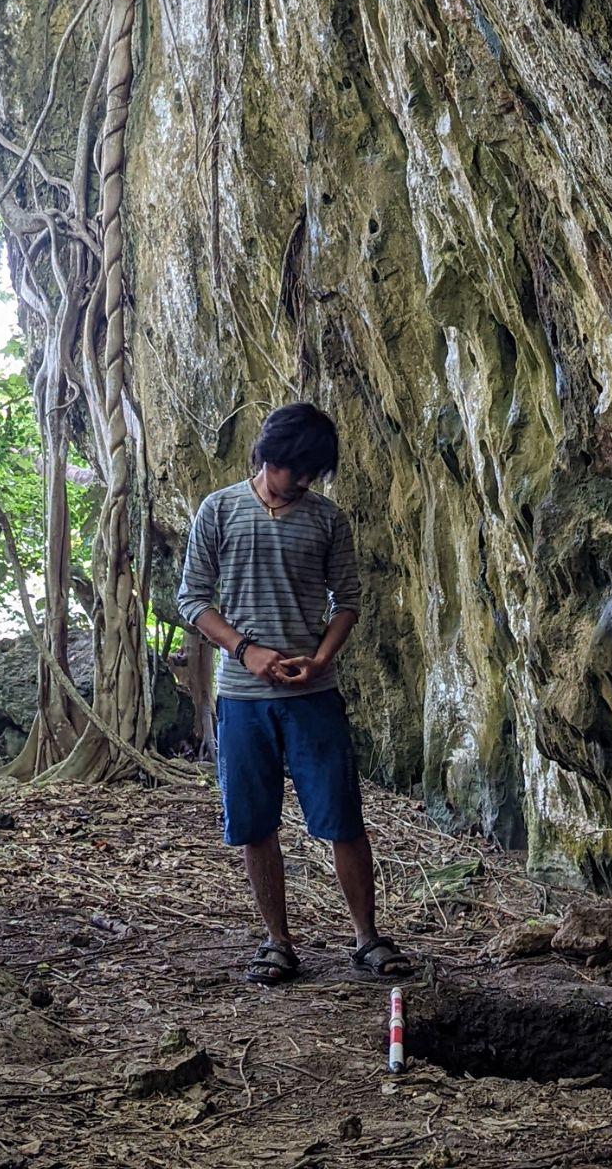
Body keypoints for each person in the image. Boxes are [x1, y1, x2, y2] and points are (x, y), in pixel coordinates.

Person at [177, 402, 413, 985]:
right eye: (295, 470)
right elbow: (193, 599)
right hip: (241, 697)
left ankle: (366, 937)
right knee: (256, 824)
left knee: (342, 818)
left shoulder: (327, 519)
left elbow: (349, 599)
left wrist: (323, 658)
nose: (303, 482)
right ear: (267, 456)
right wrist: (245, 650)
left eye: (313, 473)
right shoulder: (220, 509)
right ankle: (277, 941)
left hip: (314, 694)